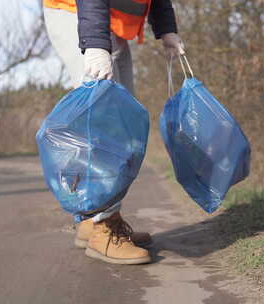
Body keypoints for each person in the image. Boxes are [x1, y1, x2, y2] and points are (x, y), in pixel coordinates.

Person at [42, 0, 185, 265]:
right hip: (78, 12)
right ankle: (103, 228)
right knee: (103, 122)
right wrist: (95, 44)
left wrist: (167, 29)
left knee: (124, 116)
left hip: (110, 20)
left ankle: (94, 221)